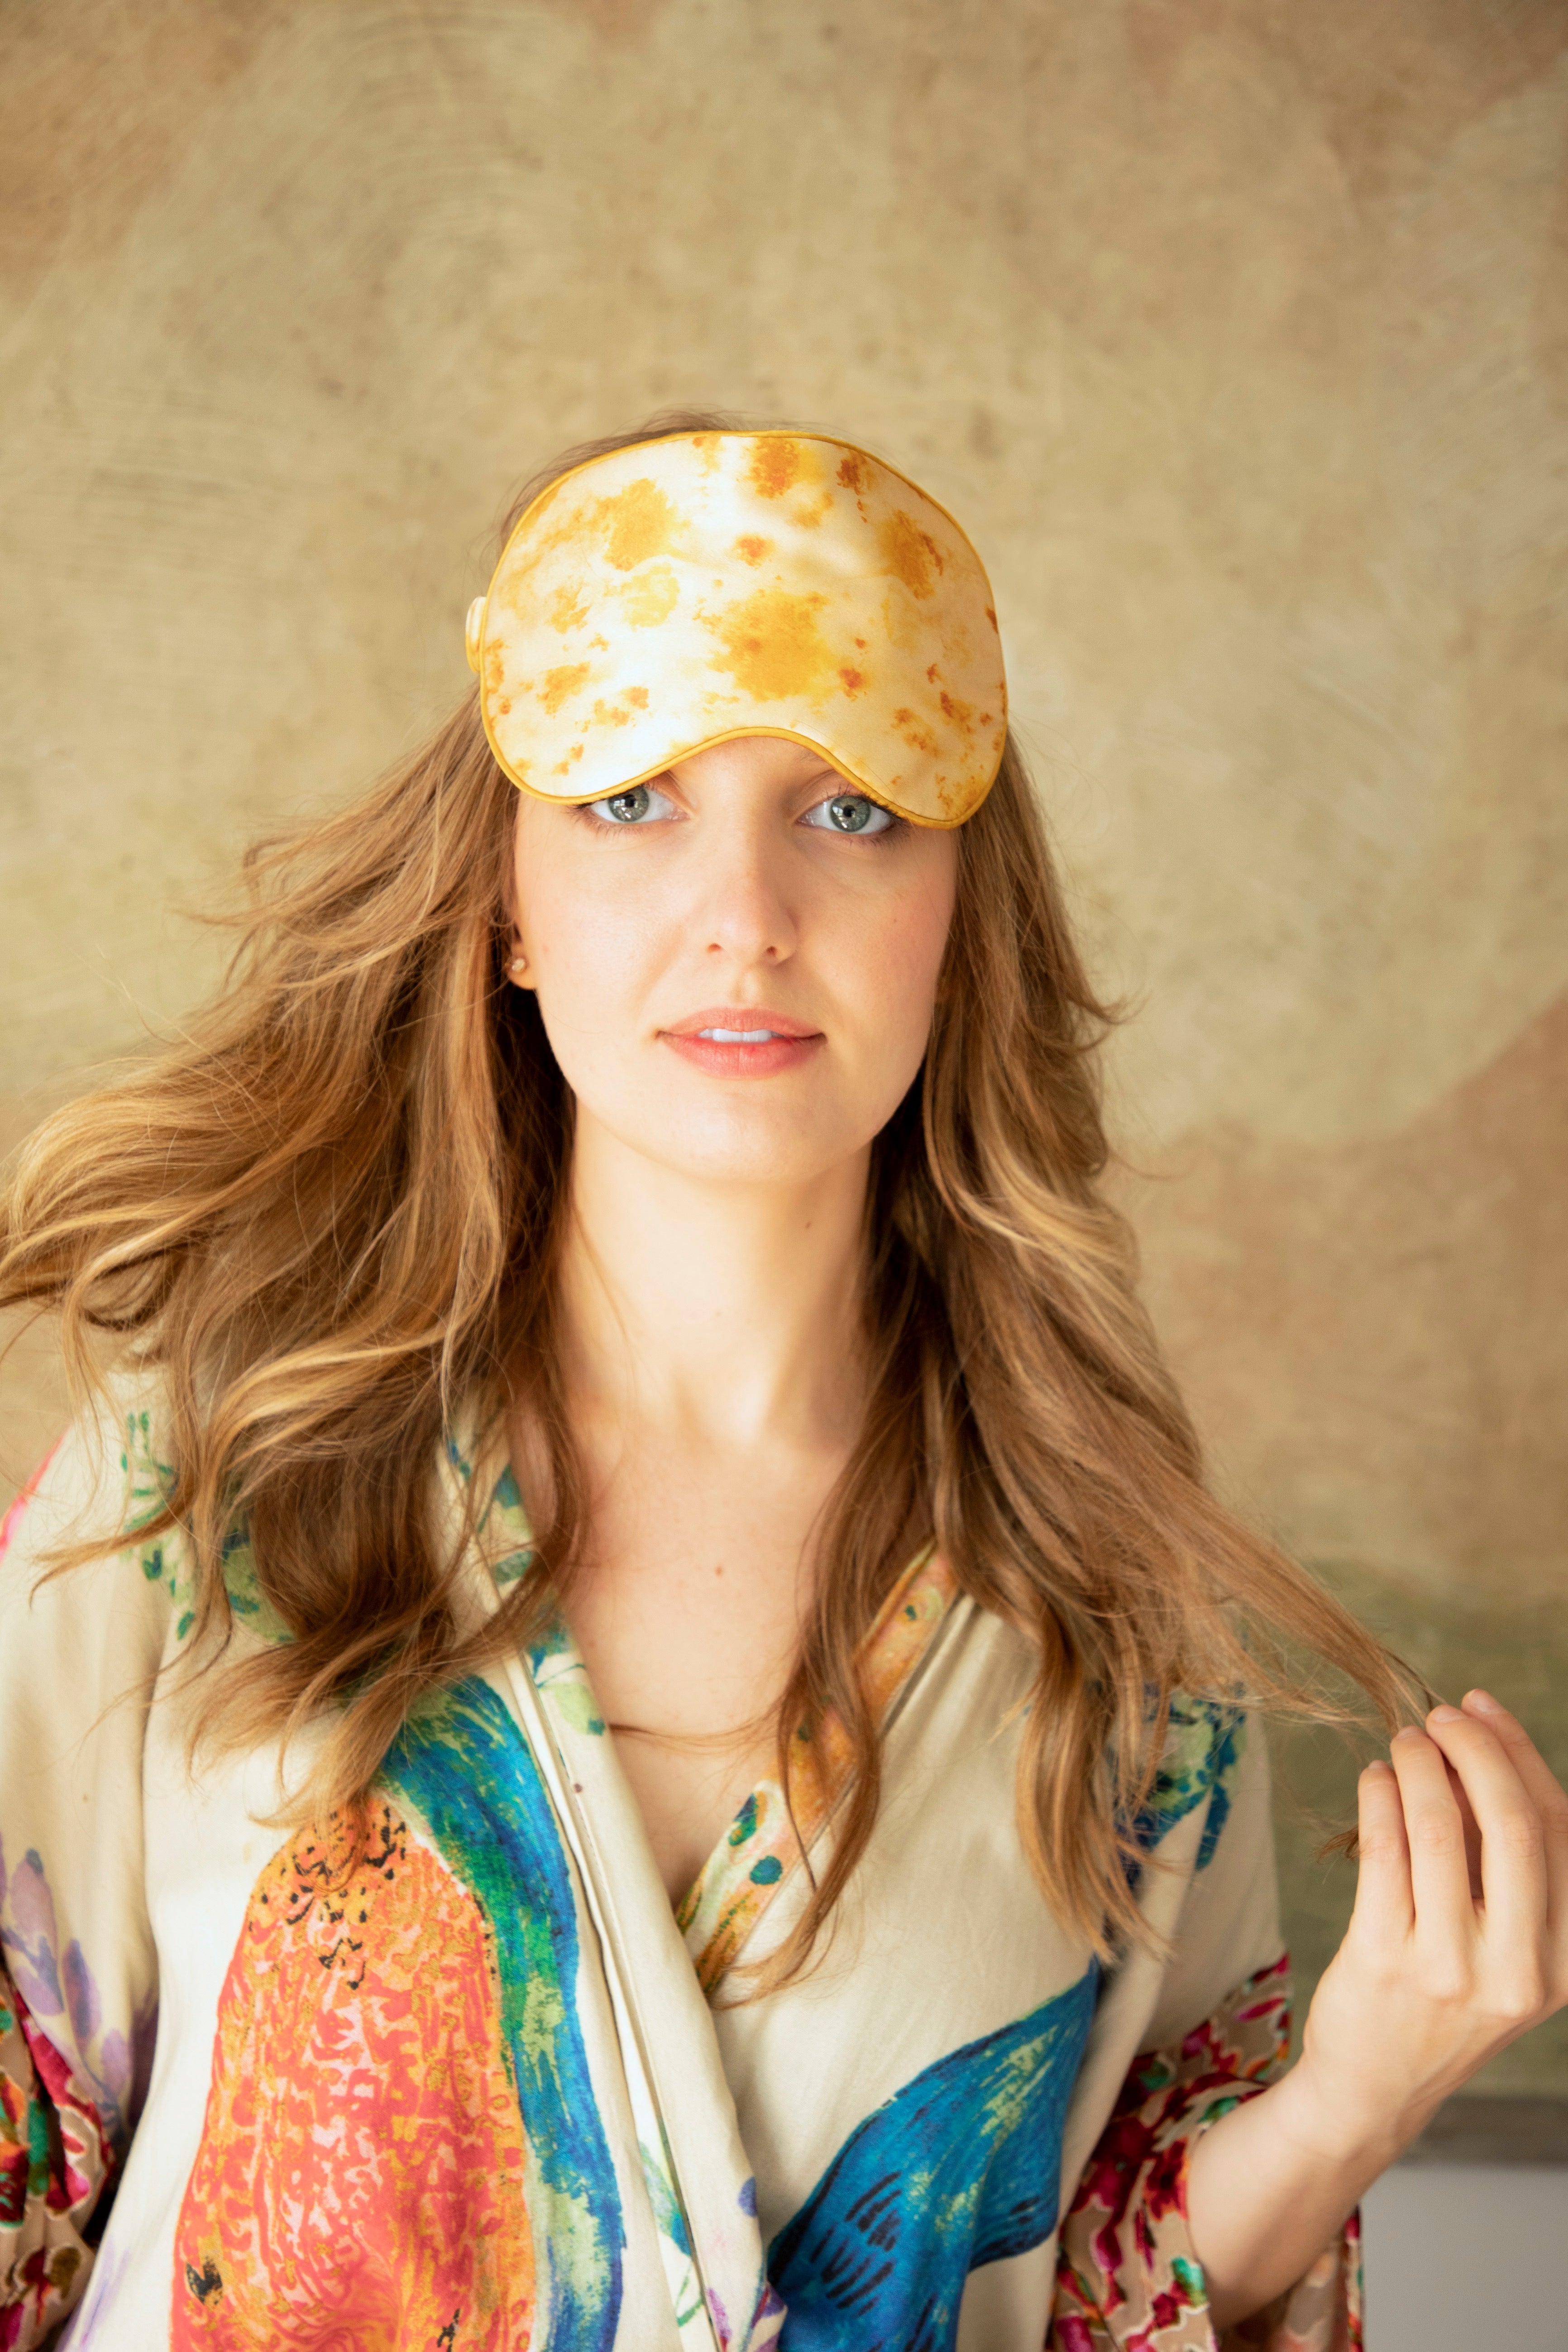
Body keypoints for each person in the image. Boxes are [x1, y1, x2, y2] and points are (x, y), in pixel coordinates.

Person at [0, 416, 1563, 2352]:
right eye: (632, 797)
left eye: (848, 812)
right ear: (504, 895)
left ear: (953, 918)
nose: (742, 910)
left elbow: (1085, 2293)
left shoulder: (1116, 1624)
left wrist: (1353, 2097)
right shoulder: (189, 1500)